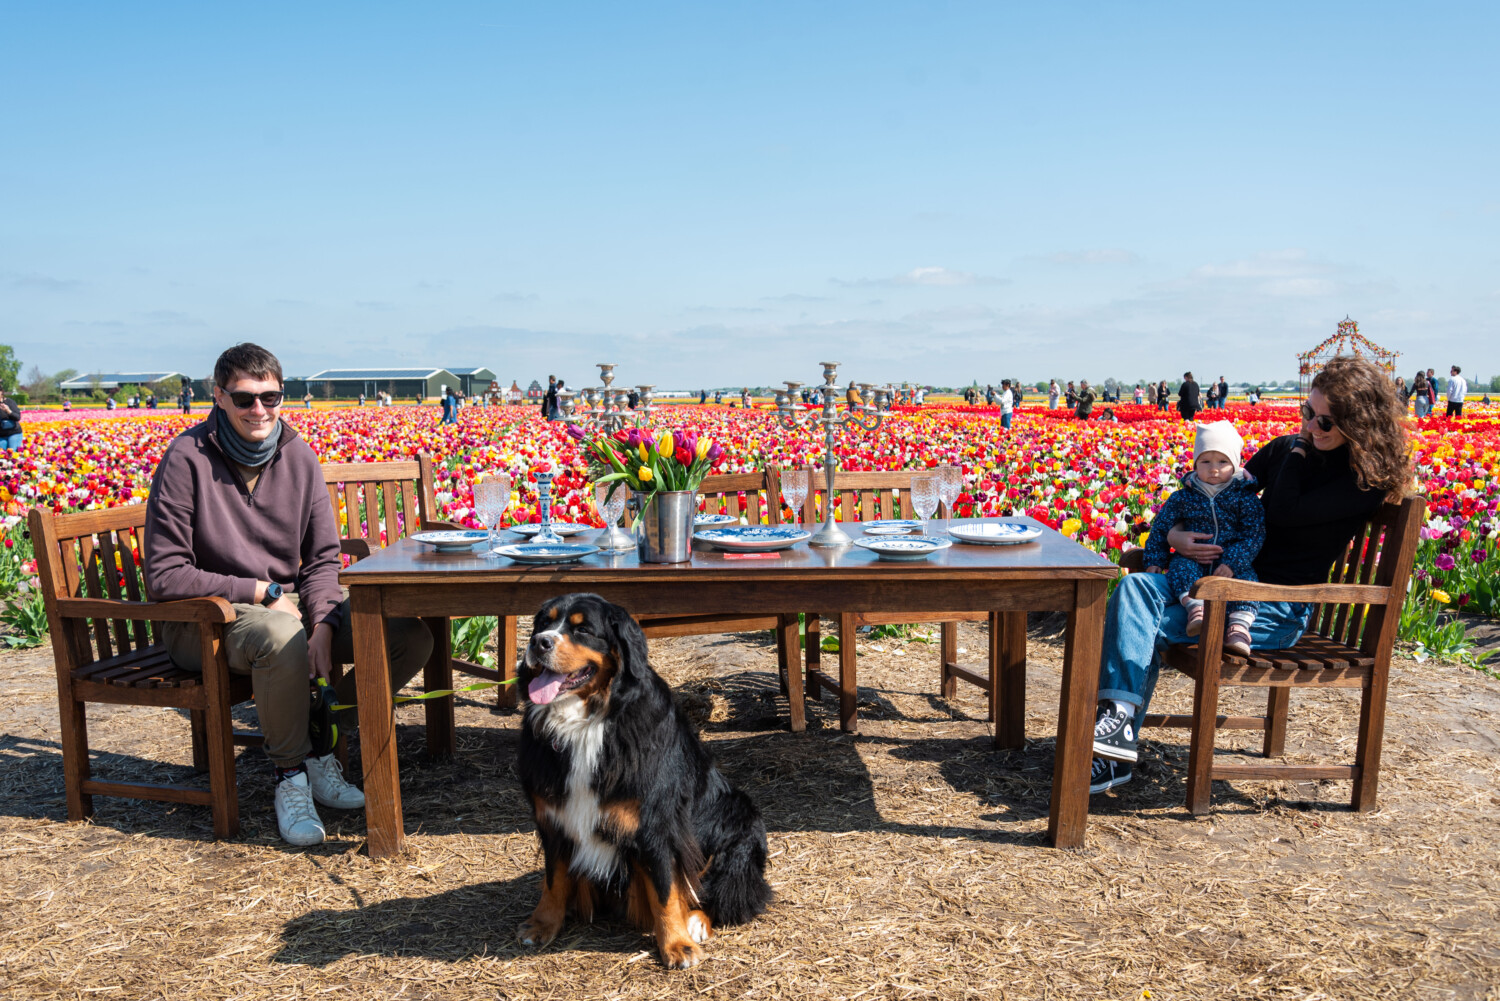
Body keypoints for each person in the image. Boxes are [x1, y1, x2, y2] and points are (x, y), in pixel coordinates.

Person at [144, 343, 433, 845]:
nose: (259, 409)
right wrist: (260, 589)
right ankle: (290, 776)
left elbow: (321, 559)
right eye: (244, 398)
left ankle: (319, 742)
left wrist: (325, 623)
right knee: (281, 634)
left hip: (287, 610)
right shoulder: (186, 458)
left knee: (408, 636)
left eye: (271, 397)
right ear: (218, 396)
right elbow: (165, 575)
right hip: (204, 618)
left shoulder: (298, 456)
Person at [1090, 355, 1409, 791]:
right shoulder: (1283, 449)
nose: (1311, 427)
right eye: (1308, 413)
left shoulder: (1360, 482)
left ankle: (1110, 753)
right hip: (1218, 584)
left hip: (1274, 607)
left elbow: (1284, 511)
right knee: (1134, 588)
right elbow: (1220, 489)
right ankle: (1118, 725)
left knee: (1143, 622)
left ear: (1359, 423)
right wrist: (1177, 534)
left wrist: (1296, 451)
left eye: (1325, 421)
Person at [1140, 422, 1264, 650]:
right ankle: (1196, 609)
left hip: (1230, 564)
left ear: (1235, 464)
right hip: (1193, 560)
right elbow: (1161, 529)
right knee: (1180, 567)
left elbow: (1253, 535)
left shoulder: (1245, 498)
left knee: (1246, 582)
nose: (1214, 469)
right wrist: (1155, 560)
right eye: (1205, 461)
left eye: (1223, 462)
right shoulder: (1182, 497)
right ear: (1195, 464)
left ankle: (1239, 629)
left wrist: (1232, 563)